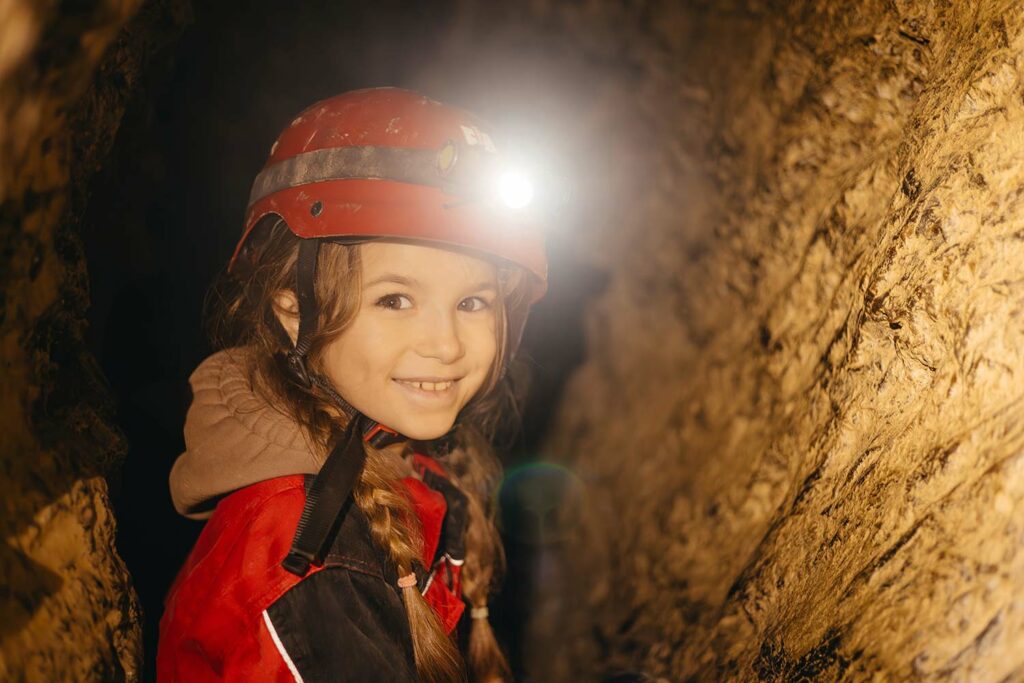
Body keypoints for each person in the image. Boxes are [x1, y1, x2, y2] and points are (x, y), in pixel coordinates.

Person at [156, 87, 549, 682]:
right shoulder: (308, 556)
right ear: (294, 312)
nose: (445, 344)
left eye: (472, 302)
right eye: (394, 299)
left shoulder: (403, 467)